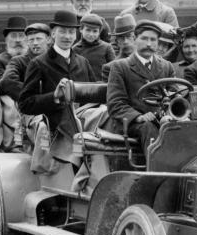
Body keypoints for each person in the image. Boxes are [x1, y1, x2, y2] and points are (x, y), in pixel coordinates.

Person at [19, 10, 95, 163]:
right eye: (62, 32)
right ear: (53, 34)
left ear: (76, 35)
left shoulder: (82, 62)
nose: (67, 37)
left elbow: (93, 94)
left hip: (85, 120)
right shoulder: (39, 63)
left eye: (71, 32)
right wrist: (53, 96)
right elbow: (25, 104)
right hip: (56, 124)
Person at [106, 20, 176, 151]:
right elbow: (115, 103)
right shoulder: (120, 67)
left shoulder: (166, 66)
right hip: (131, 123)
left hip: (162, 119)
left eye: (153, 40)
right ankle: (157, 169)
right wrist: (138, 117)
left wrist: (169, 114)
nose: (149, 44)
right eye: (144, 38)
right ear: (134, 39)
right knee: (148, 128)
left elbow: (175, 96)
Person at [0, 23, 51, 100]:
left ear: (48, 39)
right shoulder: (18, 61)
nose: (35, 43)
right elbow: (7, 81)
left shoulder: (58, 58)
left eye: (39, 39)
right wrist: (32, 96)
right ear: (27, 42)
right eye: (31, 40)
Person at [0, 16, 28, 94]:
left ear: (28, 39)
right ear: (6, 40)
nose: (18, 40)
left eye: (21, 35)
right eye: (13, 36)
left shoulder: (36, 60)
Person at [72, 13, 115, 81]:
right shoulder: (75, 49)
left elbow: (114, 71)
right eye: (88, 30)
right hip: (82, 88)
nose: (91, 34)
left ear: (99, 32)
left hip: (103, 88)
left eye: (95, 31)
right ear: (81, 29)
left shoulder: (107, 48)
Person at [103, 14, 136, 82]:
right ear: (117, 41)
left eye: (129, 36)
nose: (125, 41)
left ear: (136, 37)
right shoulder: (110, 68)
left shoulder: (150, 62)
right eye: (121, 37)